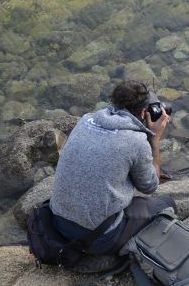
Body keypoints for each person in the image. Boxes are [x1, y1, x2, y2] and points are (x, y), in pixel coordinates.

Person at [50, 80, 176, 257]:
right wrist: (154, 140)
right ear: (143, 113)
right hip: (97, 237)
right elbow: (149, 186)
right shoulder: (136, 141)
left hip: (57, 222)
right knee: (166, 205)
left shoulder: (86, 119)